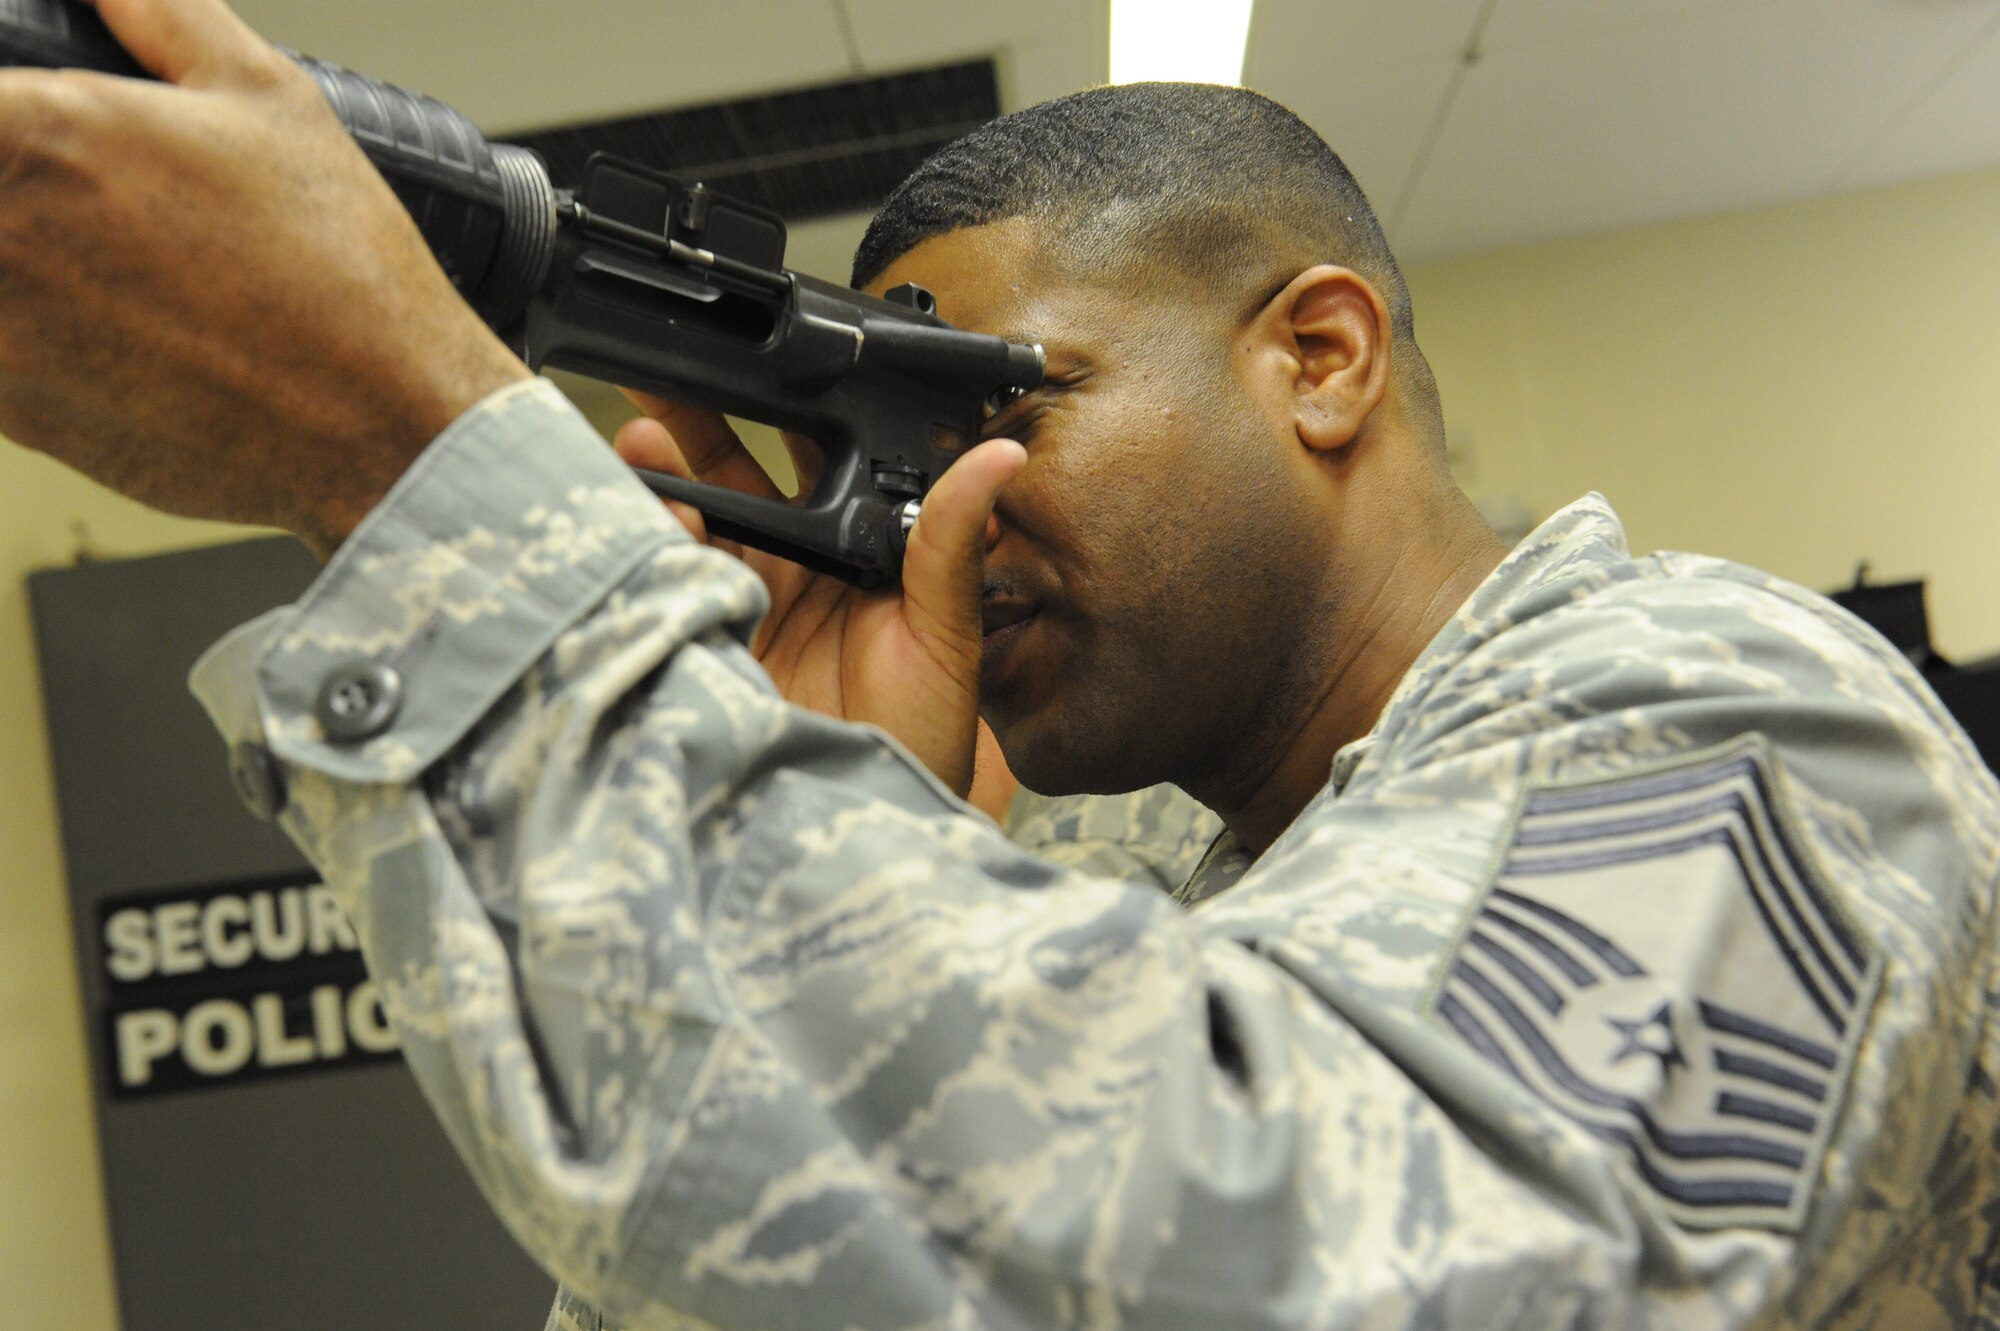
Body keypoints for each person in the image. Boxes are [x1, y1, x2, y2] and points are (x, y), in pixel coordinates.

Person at [3, 1, 1997, 1327]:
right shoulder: (1168, 884)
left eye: (1000, 411)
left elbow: (1359, 1279)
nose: (925, 517)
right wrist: (828, 816)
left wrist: (410, 462)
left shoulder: (1739, 724)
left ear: (1316, 360)